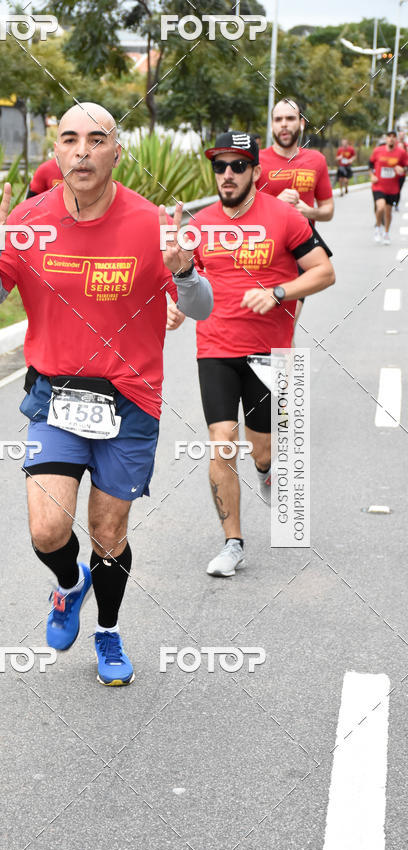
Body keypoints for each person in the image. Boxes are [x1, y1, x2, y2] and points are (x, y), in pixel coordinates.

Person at [0, 102, 212, 683]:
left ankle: (107, 630)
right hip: (55, 396)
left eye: (97, 139)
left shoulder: (152, 223)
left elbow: (200, 308)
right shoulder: (29, 219)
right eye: (70, 139)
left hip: (129, 400)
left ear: (116, 153)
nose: (83, 150)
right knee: (48, 530)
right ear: (56, 151)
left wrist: (184, 272)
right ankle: (68, 583)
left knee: (107, 533)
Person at [169, 132, 335, 577]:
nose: (227, 174)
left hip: (269, 353)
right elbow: (190, 281)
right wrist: (178, 308)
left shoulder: (285, 217)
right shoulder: (201, 224)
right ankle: (233, 543)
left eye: (238, 165)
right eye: (220, 166)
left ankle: (266, 470)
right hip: (216, 348)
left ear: (256, 172)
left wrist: (279, 291)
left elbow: (324, 271)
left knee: (262, 449)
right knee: (222, 441)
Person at [257, 99, 334, 330]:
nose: (284, 124)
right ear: (272, 125)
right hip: (263, 252)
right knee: (264, 329)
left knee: (287, 325)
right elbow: (240, 211)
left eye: (290, 118)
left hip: (301, 253)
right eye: (278, 119)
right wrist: (275, 205)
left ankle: (288, 355)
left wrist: (308, 211)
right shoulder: (256, 162)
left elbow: (328, 210)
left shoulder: (316, 160)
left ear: (301, 123)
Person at [370, 131, 408, 244]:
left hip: (392, 188)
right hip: (378, 185)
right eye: (389, 137)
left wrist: (403, 169)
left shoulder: (401, 152)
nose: (391, 139)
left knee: (388, 212)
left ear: (396, 139)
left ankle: (386, 233)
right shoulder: (378, 150)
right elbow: (370, 164)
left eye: (393, 137)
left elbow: (406, 165)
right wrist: (372, 175)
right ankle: (378, 228)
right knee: (380, 207)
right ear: (386, 139)